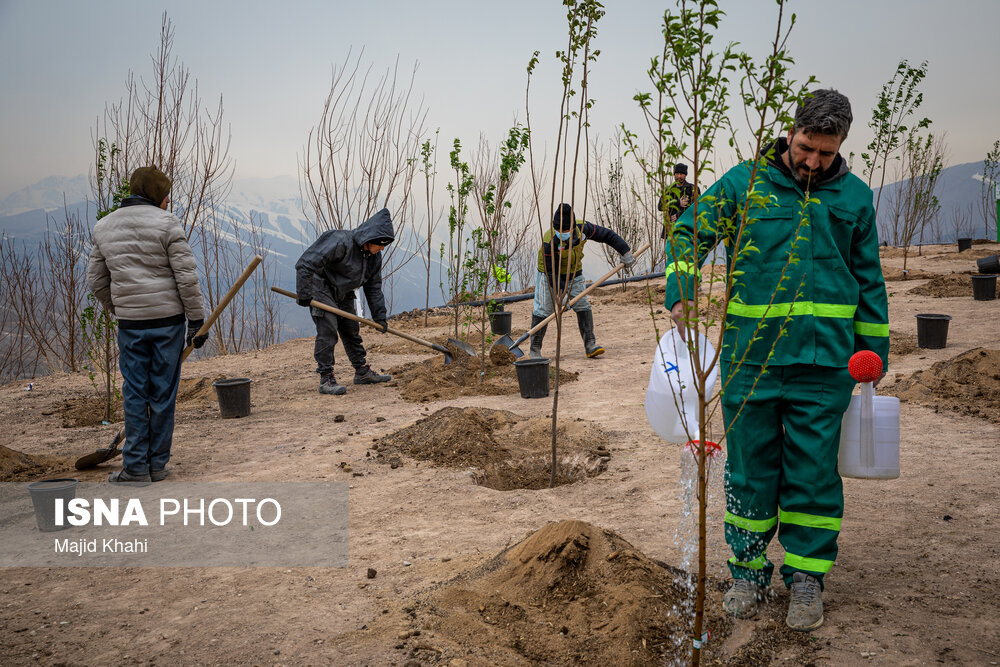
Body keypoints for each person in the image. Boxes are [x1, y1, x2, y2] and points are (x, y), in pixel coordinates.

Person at [663, 89, 889, 631]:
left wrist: (871, 352)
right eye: (807, 147)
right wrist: (682, 287)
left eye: (826, 154)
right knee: (749, 470)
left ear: (841, 148)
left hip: (825, 364)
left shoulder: (856, 198)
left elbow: (869, 280)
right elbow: (687, 230)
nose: (813, 162)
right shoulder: (745, 184)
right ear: (791, 132)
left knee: (813, 475)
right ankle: (747, 570)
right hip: (751, 361)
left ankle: (807, 577)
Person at [88, 166, 207, 484]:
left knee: (135, 393)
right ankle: (157, 465)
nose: (168, 201)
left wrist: (120, 308)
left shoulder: (104, 227)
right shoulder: (167, 224)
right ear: (156, 195)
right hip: (168, 324)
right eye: (166, 195)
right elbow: (186, 278)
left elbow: (96, 281)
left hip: (131, 326)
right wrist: (197, 320)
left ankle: (136, 467)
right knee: (163, 395)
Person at [295, 208, 395, 395]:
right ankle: (326, 377)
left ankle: (362, 372)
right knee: (329, 329)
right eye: (382, 245)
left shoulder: (373, 257)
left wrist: (379, 316)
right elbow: (305, 263)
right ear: (371, 240)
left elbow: (373, 287)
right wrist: (304, 293)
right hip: (321, 287)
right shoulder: (340, 241)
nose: (382, 249)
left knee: (351, 329)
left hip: (344, 292)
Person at [529, 203, 635, 359]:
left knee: (582, 304)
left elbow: (607, 235)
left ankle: (590, 345)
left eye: (565, 230)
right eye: (559, 230)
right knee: (543, 309)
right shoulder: (549, 241)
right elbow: (552, 273)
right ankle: (535, 350)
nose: (562, 233)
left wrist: (625, 251)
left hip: (573, 272)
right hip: (549, 274)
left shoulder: (583, 228)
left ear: (572, 228)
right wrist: (560, 295)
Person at [658, 162, 697, 229]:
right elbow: (660, 206)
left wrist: (679, 215)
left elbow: (696, 207)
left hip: (686, 228)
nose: (679, 176)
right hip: (670, 229)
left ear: (685, 175)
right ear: (674, 174)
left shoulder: (692, 189)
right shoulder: (668, 190)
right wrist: (678, 203)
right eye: (677, 174)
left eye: (681, 174)